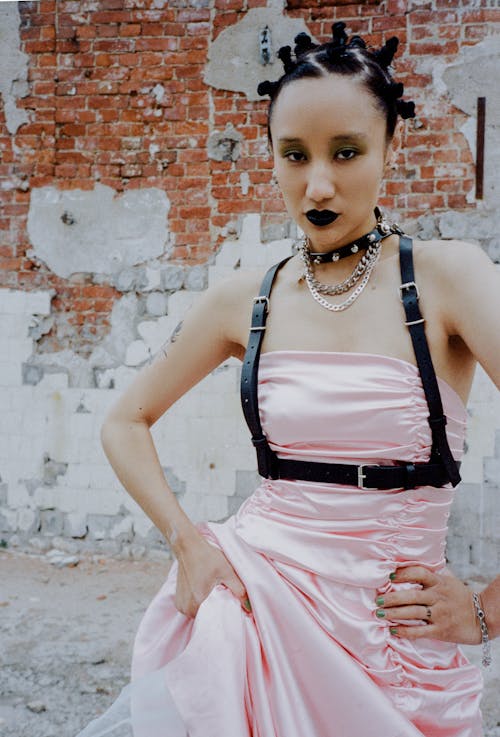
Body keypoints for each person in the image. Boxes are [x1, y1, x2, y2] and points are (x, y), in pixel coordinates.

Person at [77, 22, 499, 737]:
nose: (319, 183)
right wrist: (188, 543)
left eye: (347, 151)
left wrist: (487, 610)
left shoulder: (448, 278)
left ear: (391, 149)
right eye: (294, 156)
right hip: (252, 618)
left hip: (394, 651)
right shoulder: (245, 297)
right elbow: (124, 422)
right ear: (271, 159)